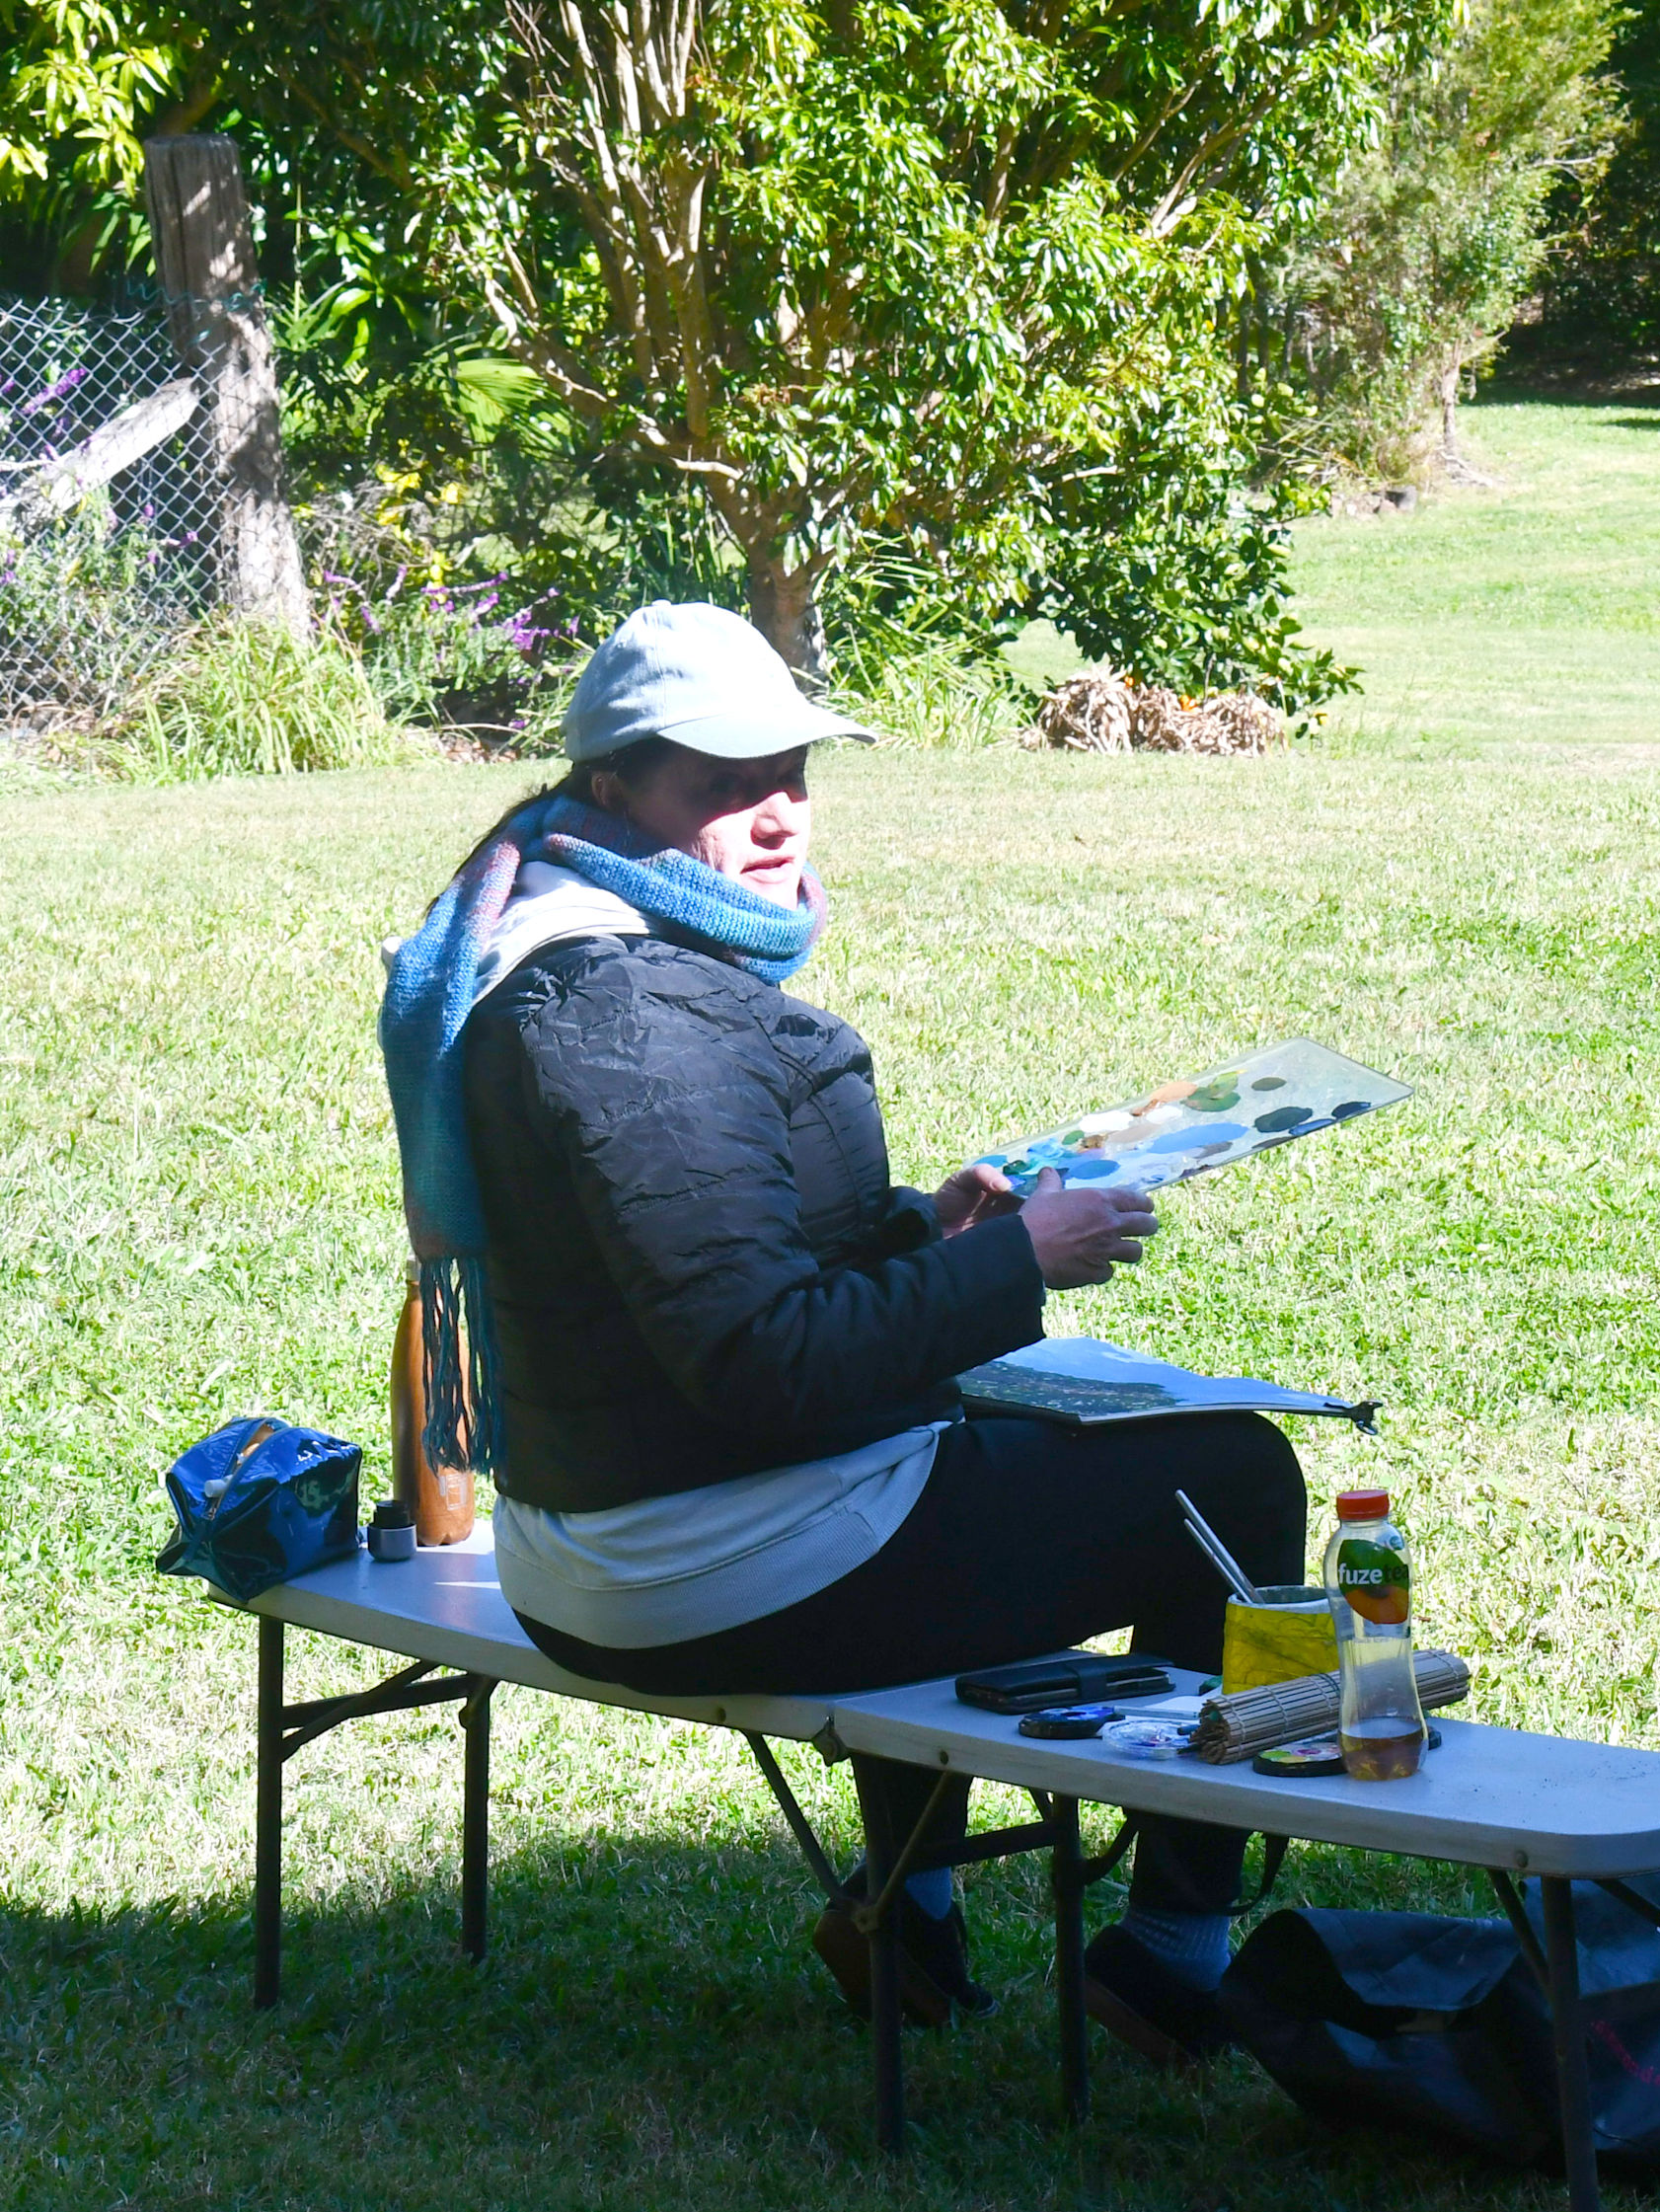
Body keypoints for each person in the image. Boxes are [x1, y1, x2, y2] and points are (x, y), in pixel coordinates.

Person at [377, 600, 1285, 2074]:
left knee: (955, 1456)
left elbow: (682, 1279)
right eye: (723, 785)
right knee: (1235, 1480)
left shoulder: (532, 946)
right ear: (613, 789)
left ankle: (910, 1918)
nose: (778, 812)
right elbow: (767, 1365)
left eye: (794, 770)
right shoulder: (637, 1010)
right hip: (703, 1576)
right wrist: (1019, 1266)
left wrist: (928, 1229)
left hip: (585, 1552)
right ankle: (1171, 1952)